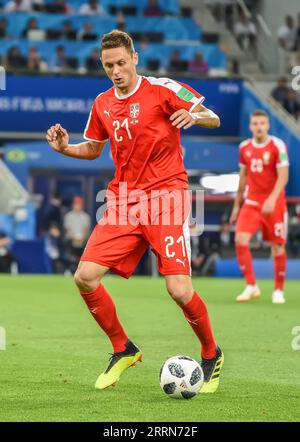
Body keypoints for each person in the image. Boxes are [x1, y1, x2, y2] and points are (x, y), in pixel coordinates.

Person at [46, 29, 223, 393]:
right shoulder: (102, 103)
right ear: (102, 64)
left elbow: (213, 117)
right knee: (85, 277)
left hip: (166, 198)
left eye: (122, 63)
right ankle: (122, 348)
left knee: (178, 289)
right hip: (124, 201)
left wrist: (196, 118)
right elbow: (94, 149)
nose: (116, 71)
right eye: (109, 65)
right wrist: (65, 148)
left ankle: (210, 353)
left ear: (135, 58)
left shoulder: (162, 89)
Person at [230, 110, 289, 304]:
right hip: (252, 202)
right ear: (250, 126)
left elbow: (283, 176)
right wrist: (237, 205)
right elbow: (243, 177)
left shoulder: (277, 145)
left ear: (268, 125)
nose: (259, 127)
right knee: (240, 239)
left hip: (274, 203)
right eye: (255, 123)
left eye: (262, 123)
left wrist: (272, 199)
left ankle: (278, 290)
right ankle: (251, 285)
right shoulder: (244, 147)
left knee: (277, 246)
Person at [64, 196, 90, 272]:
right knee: (69, 247)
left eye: (79, 205)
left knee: (86, 249)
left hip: (82, 240)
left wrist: (81, 239)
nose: (77, 206)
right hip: (72, 240)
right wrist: (74, 239)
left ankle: (84, 270)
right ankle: (68, 269)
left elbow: (86, 230)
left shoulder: (85, 217)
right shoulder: (69, 216)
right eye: (76, 204)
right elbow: (69, 230)